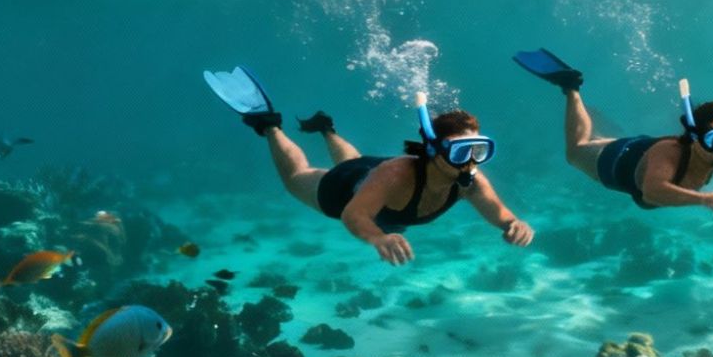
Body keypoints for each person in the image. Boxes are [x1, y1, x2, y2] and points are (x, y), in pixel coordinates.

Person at [203, 67, 533, 265]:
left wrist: (514, 224)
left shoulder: (468, 181)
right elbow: (354, 215)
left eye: (478, 150)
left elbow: (500, 213)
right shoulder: (395, 174)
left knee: (358, 162)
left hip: (372, 176)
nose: (471, 160)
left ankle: (326, 129)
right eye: (462, 151)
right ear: (433, 150)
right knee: (297, 179)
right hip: (347, 190)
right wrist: (379, 239)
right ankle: (268, 122)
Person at [513, 50, 713, 216]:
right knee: (576, 150)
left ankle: (597, 119)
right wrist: (704, 199)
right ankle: (571, 87)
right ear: (695, 138)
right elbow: (652, 192)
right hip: (617, 160)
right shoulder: (668, 153)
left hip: (641, 149)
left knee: (601, 139)